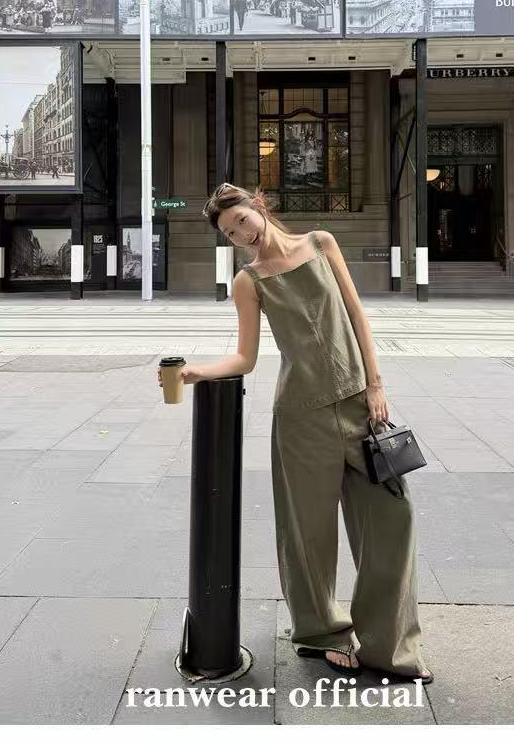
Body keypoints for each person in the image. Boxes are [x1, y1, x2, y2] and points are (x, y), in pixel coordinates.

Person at [156, 182, 432, 686]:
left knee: (394, 520)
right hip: (301, 418)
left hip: (359, 405)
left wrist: (375, 384)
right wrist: (196, 372)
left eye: (242, 220)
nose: (242, 234)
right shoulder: (248, 281)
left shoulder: (321, 244)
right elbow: (245, 357)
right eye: (230, 233)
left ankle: (389, 647)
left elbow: (357, 315)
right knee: (306, 536)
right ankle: (322, 633)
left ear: (259, 206)